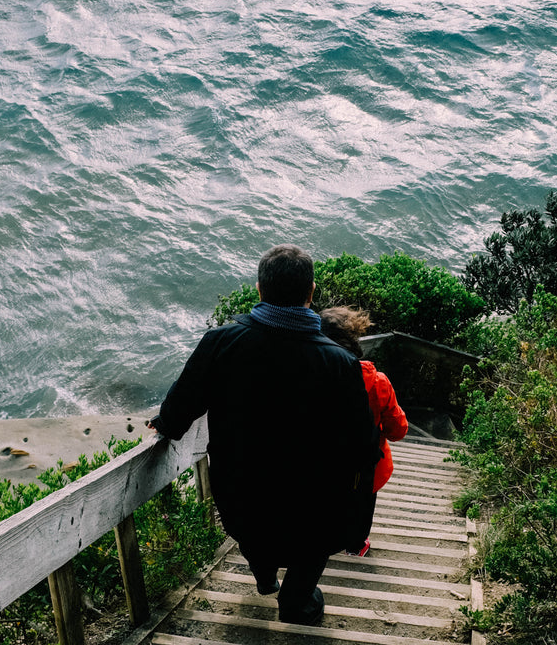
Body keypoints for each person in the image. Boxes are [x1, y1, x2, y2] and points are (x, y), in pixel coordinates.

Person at [148, 245, 380, 625]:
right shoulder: (339, 363)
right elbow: (362, 445)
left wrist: (165, 425)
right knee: (312, 545)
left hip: (243, 498)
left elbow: (180, 407)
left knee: (254, 532)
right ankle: (297, 601)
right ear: (311, 293)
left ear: (259, 290)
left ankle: (264, 576)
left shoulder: (221, 342)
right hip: (312, 507)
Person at [319, 306, 408, 557]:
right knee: (361, 506)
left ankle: (321, 542)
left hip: (321, 461)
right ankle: (356, 546)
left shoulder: (310, 375)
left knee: (325, 502)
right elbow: (398, 430)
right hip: (364, 465)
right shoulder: (377, 381)